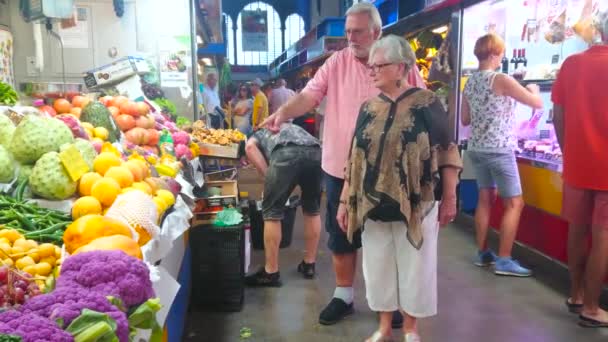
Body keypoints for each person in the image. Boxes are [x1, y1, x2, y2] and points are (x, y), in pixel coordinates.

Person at [262, 2, 427, 328]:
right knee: (340, 235)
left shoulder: (399, 63)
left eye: (357, 31)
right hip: (339, 167)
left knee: (386, 238)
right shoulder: (336, 63)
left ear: (376, 32)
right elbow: (309, 96)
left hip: (387, 172)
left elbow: (420, 105)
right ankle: (344, 295)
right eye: (347, 31)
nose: (350, 37)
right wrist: (283, 113)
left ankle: (388, 301)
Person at [338, 34, 461, 342]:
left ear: (401, 67)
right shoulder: (368, 107)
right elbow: (353, 158)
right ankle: (383, 328)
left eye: (379, 65)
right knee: (377, 264)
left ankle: (410, 329)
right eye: (371, 65)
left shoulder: (427, 103)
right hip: (372, 201)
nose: (372, 71)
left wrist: (450, 197)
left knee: (415, 264)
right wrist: (344, 201)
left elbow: (447, 151)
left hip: (418, 202)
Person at [461, 33, 542, 277]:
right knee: (515, 203)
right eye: (501, 53)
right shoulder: (501, 79)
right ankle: (505, 259)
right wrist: (534, 89)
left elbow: (465, 119)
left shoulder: (471, 82)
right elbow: (536, 103)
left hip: (477, 148)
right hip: (499, 149)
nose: (502, 57)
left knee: (485, 198)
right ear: (495, 54)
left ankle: (483, 253)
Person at [552, 10, 608, 327]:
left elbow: (557, 115)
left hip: (576, 163)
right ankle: (592, 306)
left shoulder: (571, 64)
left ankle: (574, 294)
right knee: (602, 235)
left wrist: (568, 151)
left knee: (577, 229)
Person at [244, 123, 322, 286]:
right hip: (316, 151)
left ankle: (271, 272)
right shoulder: (291, 126)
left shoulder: (259, 133)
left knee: (271, 212)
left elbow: (250, 149)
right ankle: (309, 265)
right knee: (312, 209)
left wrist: (269, 176)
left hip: (285, 153)